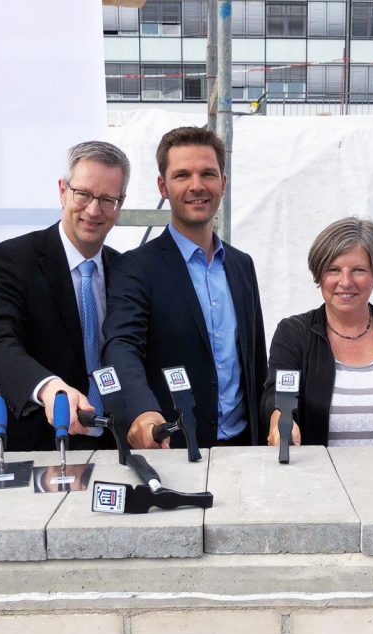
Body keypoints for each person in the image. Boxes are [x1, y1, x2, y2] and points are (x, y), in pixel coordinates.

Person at [102, 126, 267, 449]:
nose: (197, 186)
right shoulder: (135, 267)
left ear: (223, 183)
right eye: (182, 175)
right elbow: (121, 346)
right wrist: (143, 411)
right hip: (173, 448)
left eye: (208, 173)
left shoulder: (241, 265)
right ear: (163, 186)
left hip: (244, 447)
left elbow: (254, 360)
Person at [0, 141, 130, 452]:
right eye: (83, 194)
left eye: (107, 199)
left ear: (120, 204)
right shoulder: (16, 259)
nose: (93, 209)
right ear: (63, 191)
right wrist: (49, 389)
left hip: (113, 447)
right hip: (35, 447)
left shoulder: (127, 270)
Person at [261, 217, 373, 447]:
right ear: (319, 275)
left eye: (358, 270)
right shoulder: (294, 333)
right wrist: (281, 423)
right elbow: (277, 396)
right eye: (333, 270)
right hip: (321, 480)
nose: (346, 281)